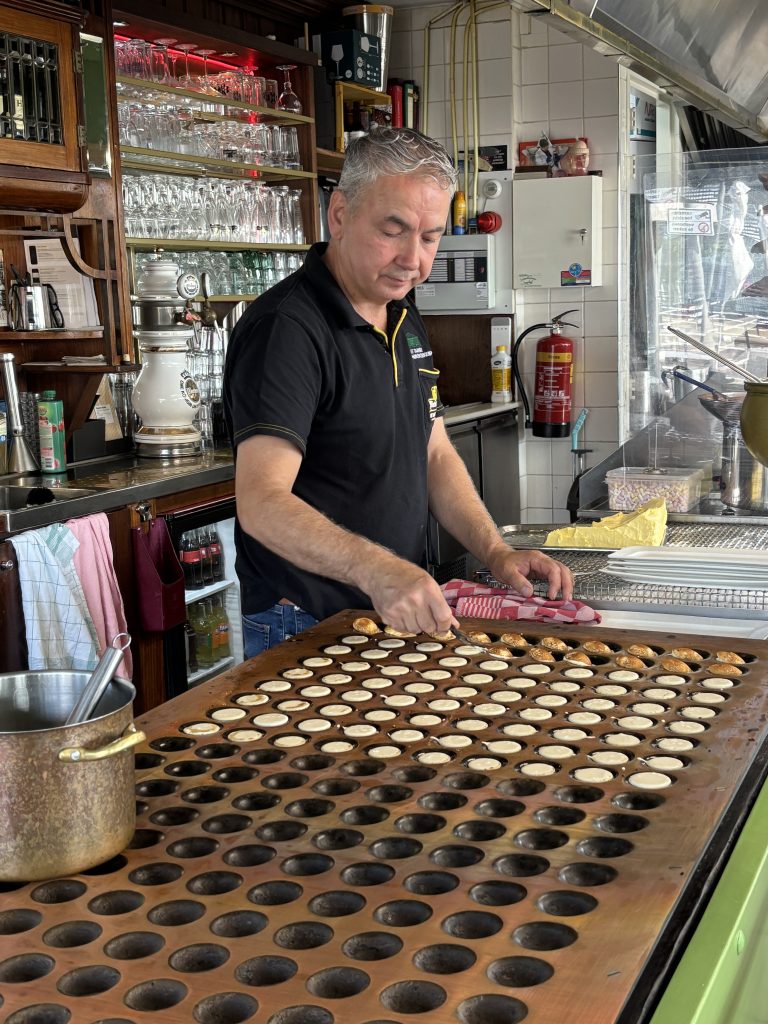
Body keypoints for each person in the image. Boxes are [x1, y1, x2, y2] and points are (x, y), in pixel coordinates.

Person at [223, 127, 573, 657]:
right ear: (339, 215)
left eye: (430, 236)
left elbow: (431, 451)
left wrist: (495, 552)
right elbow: (261, 502)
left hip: (391, 608)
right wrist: (378, 569)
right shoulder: (287, 330)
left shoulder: (404, 315)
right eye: (394, 230)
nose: (413, 258)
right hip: (307, 622)